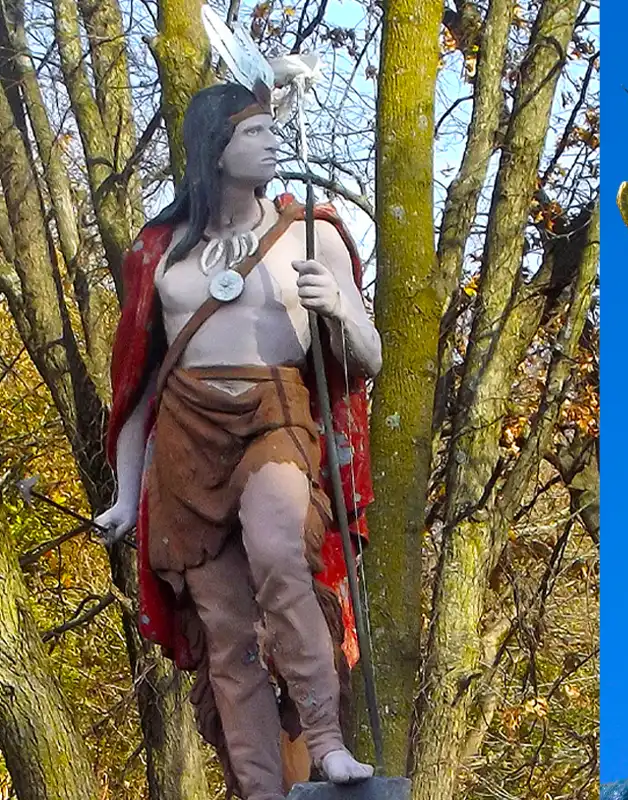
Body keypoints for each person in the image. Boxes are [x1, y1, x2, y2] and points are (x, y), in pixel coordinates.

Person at [97, 82, 381, 799]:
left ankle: (326, 741)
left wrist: (338, 311)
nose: (272, 145)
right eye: (253, 135)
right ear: (215, 150)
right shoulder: (159, 253)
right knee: (226, 628)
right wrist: (127, 495)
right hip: (187, 431)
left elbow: (366, 360)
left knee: (282, 552)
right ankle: (260, 789)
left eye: (272, 134)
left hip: (273, 411)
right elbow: (139, 385)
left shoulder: (312, 235)